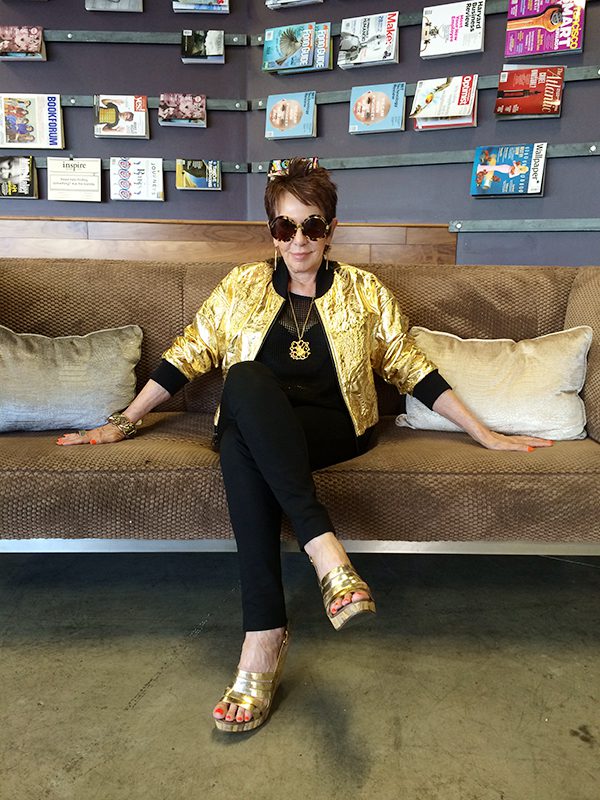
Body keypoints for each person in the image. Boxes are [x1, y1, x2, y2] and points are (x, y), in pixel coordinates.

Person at [56, 158, 553, 733]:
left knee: (243, 444)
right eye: (284, 227)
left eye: (311, 226)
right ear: (271, 230)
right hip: (258, 424)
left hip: (334, 429)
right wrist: (124, 421)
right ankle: (317, 567)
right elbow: (187, 354)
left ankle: (265, 638)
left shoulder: (365, 291)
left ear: (332, 228)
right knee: (243, 388)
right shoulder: (241, 286)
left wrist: (483, 432)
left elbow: (409, 366)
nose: (298, 240)